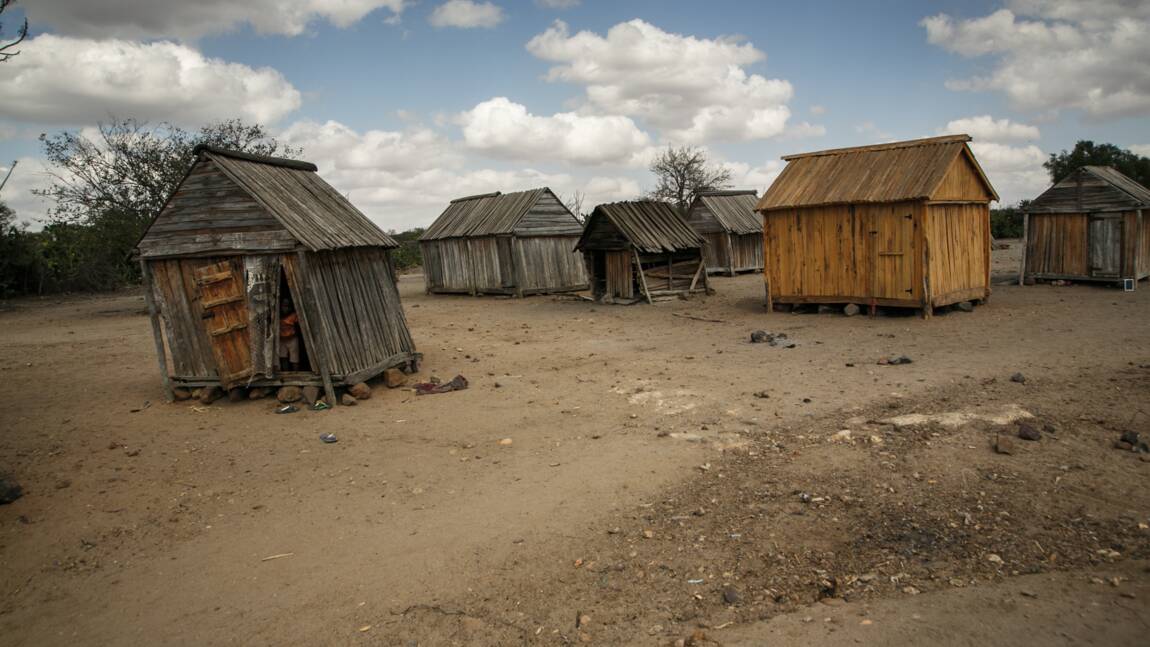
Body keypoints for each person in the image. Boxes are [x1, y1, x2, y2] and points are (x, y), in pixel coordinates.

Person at [279, 299, 301, 371]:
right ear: (281, 307)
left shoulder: (294, 316)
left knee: (294, 359)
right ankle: (286, 374)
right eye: (284, 306)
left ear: (290, 307)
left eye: (288, 306)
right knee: (283, 358)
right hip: (282, 339)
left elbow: (298, 326)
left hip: (292, 339)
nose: (286, 308)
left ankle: (296, 374)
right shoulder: (277, 316)